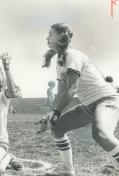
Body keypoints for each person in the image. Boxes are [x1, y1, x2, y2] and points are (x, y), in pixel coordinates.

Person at [39, 23, 119, 176]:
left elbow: (72, 88)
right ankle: (67, 170)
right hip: (90, 105)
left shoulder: (72, 55)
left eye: (51, 34)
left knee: (101, 134)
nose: (47, 37)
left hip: (107, 100)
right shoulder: (60, 61)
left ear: (62, 36)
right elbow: (61, 92)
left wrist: (56, 113)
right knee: (57, 127)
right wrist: (50, 115)